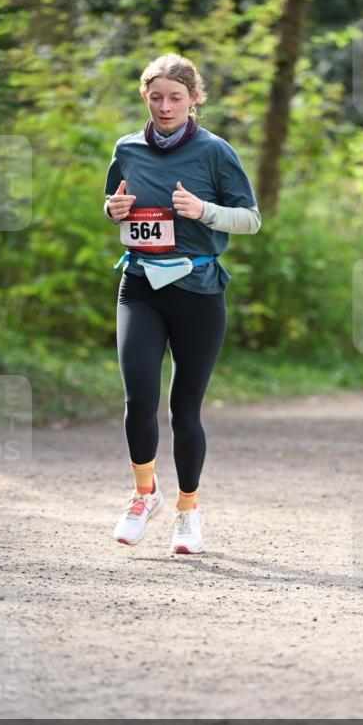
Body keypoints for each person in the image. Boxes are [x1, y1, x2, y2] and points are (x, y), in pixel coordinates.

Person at [104, 54, 261, 552]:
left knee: (183, 409)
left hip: (198, 292)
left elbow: (250, 219)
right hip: (141, 286)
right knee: (139, 398)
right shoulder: (127, 148)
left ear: (195, 99)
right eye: (156, 97)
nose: (165, 106)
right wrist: (113, 209)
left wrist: (204, 211)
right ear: (144, 98)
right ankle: (143, 494)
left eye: (176, 97)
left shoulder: (215, 152)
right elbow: (116, 204)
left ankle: (188, 510)